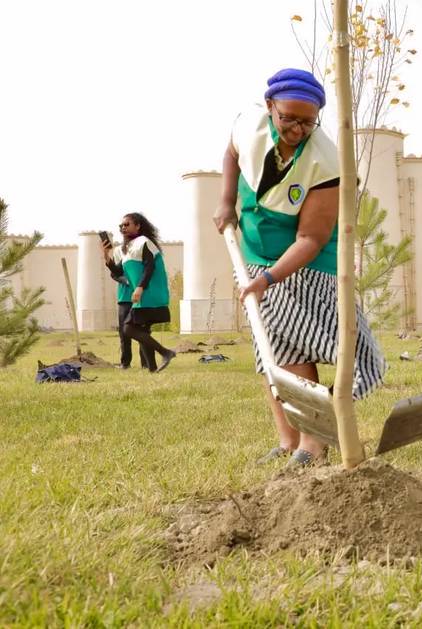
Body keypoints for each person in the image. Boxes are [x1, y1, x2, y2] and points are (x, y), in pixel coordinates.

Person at [212, 68, 386, 468]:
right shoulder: (249, 125)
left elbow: (311, 238)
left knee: (309, 339)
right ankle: (289, 441)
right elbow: (231, 154)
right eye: (288, 118)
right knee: (272, 349)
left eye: (308, 121)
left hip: (309, 262)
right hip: (256, 251)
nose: (297, 128)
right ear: (270, 106)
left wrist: (268, 279)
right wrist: (226, 200)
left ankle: (314, 442)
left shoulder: (327, 160)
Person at [114, 213, 176, 372]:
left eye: (127, 224)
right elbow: (117, 271)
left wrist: (140, 287)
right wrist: (106, 256)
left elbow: (150, 267)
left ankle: (166, 352)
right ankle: (153, 369)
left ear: (138, 226)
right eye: (121, 226)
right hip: (142, 297)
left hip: (149, 294)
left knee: (128, 328)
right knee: (140, 331)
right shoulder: (127, 249)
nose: (123, 228)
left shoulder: (144, 242)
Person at [101, 227, 153, 370]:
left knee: (143, 332)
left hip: (142, 299)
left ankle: (146, 364)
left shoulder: (145, 254)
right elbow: (114, 273)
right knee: (124, 334)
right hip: (124, 299)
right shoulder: (122, 253)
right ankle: (125, 363)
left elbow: (150, 272)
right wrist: (127, 280)